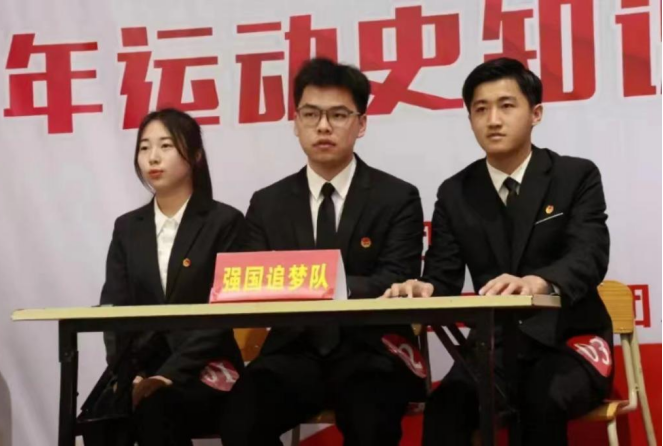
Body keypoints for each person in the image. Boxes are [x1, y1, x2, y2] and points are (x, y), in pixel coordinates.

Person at [384, 57, 613, 446]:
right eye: (481, 109)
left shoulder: (575, 176)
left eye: (507, 106)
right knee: (445, 408)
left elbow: (589, 255)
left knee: (541, 398)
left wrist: (538, 282)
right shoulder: (455, 192)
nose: (493, 120)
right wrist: (425, 288)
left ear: (536, 113)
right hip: (493, 348)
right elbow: (442, 275)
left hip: (569, 341)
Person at [219, 58, 425, 446]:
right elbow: (253, 283)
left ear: (361, 124)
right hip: (292, 352)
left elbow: (395, 277)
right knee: (240, 421)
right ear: (296, 123)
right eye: (311, 114)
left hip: (371, 351)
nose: (324, 126)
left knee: (371, 421)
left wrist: (314, 283)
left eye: (338, 115)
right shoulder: (268, 203)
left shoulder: (397, 197)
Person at [87, 108, 244, 446]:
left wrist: (168, 375)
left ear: (196, 155)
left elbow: (223, 314)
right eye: (144, 147)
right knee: (99, 422)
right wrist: (127, 373)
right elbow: (114, 308)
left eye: (166, 146)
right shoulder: (128, 228)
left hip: (205, 365)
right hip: (141, 366)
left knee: (156, 410)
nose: (152, 157)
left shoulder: (224, 222)